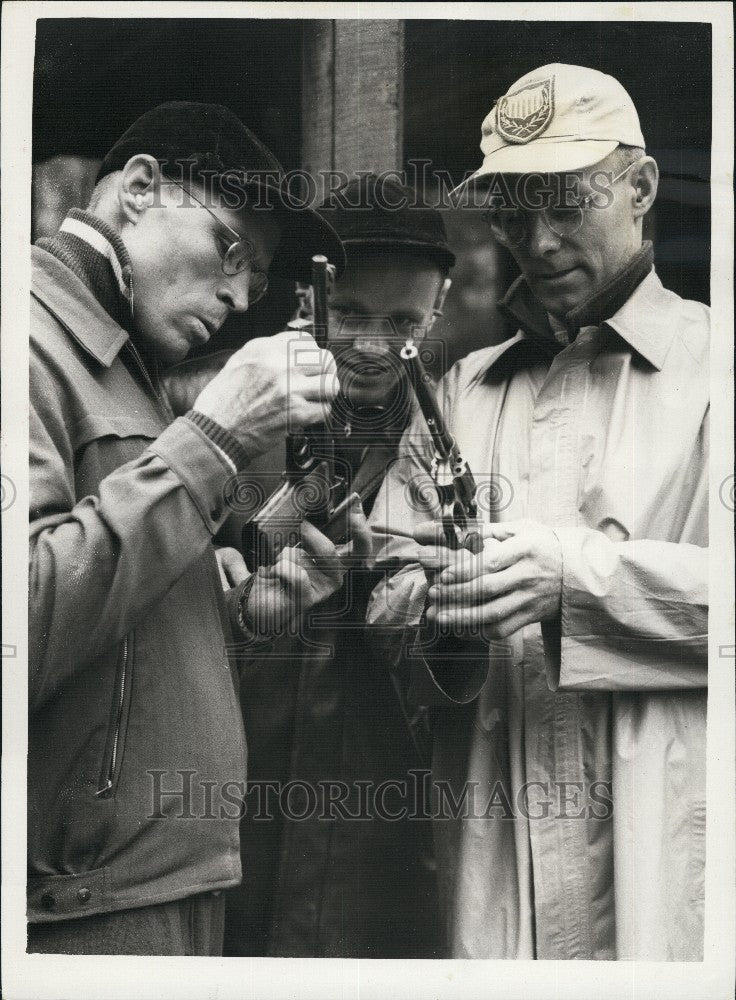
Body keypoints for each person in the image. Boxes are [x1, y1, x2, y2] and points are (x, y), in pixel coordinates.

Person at [366, 64, 709, 960]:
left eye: (565, 204)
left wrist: (575, 578)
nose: (540, 241)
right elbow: (384, 593)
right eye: (514, 214)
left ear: (640, 187)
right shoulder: (458, 395)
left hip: (678, 857)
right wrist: (438, 614)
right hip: (496, 862)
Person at [27, 101, 372, 956]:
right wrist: (214, 436)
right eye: (230, 251)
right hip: (86, 902)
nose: (239, 296)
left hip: (163, 880)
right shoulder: (25, 336)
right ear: (139, 190)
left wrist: (249, 608)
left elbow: (116, 640)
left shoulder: (125, 362)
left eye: (256, 281)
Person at [181, 176, 453, 957]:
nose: (374, 346)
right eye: (354, 316)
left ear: (436, 312)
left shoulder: (449, 434)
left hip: (374, 835)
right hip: (224, 808)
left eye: (402, 321)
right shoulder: (210, 401)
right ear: (311, 298)